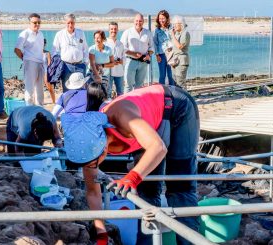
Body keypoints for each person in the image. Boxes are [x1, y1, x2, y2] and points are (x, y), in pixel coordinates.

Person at [61, 84, 200, 245]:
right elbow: (93, 193)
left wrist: (131, 178)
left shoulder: (121, 114)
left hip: (175, 107)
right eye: (88, 165)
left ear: (103, 145)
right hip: (148, 127)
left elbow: (158, 147)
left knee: (180, 187)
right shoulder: (87, 146)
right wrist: (101, 233)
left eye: (93, 163)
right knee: (146, 192)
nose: (91, 167)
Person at [52, 13, 89, 93]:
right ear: (65, 23)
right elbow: (55, 51)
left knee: (81, 90)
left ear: (74, 23)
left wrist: (85, 63)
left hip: (80, 66)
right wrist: (57, 65)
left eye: (72, 22)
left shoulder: (80, 33)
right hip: (66, 67)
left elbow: (85, 48)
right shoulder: (59, 34)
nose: (70, 24)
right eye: (68, 22)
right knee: (67, 90)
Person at [14, 13, 45, 106]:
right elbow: (16, 49)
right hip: (30, 62)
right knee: (30, 89)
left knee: (40, 89)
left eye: (39, 22)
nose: (37, 24)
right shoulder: (24, 33)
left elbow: (40, 49)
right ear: (30, 22)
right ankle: (29, 110)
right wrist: (25, 59)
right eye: (35, 22)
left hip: (40, 62)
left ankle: (40, 109)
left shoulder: (41, 34)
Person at [121, 13, 154, 93]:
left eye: (140, 21)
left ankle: (136, 104)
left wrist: (148, 55)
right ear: (133, 21)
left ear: (143, 22)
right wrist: (133, 54)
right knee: (128, 86)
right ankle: (126, 104)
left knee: (139, 86)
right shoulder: (127, 32)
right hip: (131, 61)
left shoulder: (148, 33)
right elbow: (122, 48)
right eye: (137, 21)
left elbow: (152, 47)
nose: (138, 23)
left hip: (143, 63)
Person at [153, 10, 175, 85]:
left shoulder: (172, 28)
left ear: (167, 18)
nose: (161, 20)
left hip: (171, 55)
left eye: (163, 18)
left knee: (170, 75)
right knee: (162, 75)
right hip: (161, 55)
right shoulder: (157, 30)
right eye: (160, 18)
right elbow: (155, 43)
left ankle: (173, 93)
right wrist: (157, 55)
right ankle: (162, 93)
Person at [105, 22, 125, 99]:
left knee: (120, 92)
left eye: (115, 29)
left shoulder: (120, 44)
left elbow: (124, 57)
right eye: (112, 29)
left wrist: (120, 61)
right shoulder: (105, 43)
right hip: (108, 71)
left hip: (119, 71)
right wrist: (111, 62)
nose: (113, 31)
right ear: (108, 30)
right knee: (108, 92)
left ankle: (120, 108)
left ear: (118, 30)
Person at [170, 15, 190, 88]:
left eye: (175, 24)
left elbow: (180, 46)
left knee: (180, 83)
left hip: (182, 61)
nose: (174, 26)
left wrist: (172, 35)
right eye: (173, 24)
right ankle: (178, 99)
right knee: (175, 82)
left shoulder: (185, 33)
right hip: (175, 61)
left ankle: (185, 99)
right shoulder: (177, 34)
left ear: (181, 24)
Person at [43, 39, 56, 104]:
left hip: (45, 72)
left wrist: (48, 74)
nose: (43, 44)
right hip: (37, 72)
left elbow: (49, 64)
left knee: (50, 88)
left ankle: (54, 102)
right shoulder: (35, 53)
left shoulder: (47, 53)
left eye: (44, 43)